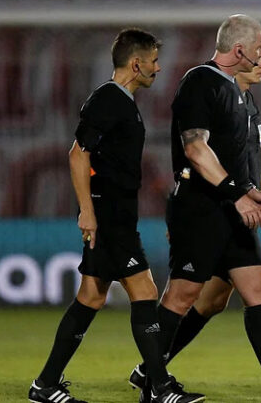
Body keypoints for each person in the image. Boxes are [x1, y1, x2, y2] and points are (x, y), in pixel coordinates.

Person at [133, 14, 261, 403]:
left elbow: (246, 165)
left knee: (257, 288)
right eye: (260, 48)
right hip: (202, 207)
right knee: (182, 295)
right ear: (240, 50)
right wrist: (238, 194)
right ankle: (152, 381)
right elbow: (196, 149)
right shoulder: (200, 82)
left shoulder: (244, 98)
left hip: (234, 210)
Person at [28, 28, 204, 403]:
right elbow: (78, 154)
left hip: (117, 213)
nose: (158, 68)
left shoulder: (121, 101)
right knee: (145, 291)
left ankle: (45, 384)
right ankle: (160, 386)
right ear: (136, 62)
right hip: (107, 214)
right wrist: (88, 213)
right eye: (154, 61)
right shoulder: (108, 100)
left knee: (91, 296)